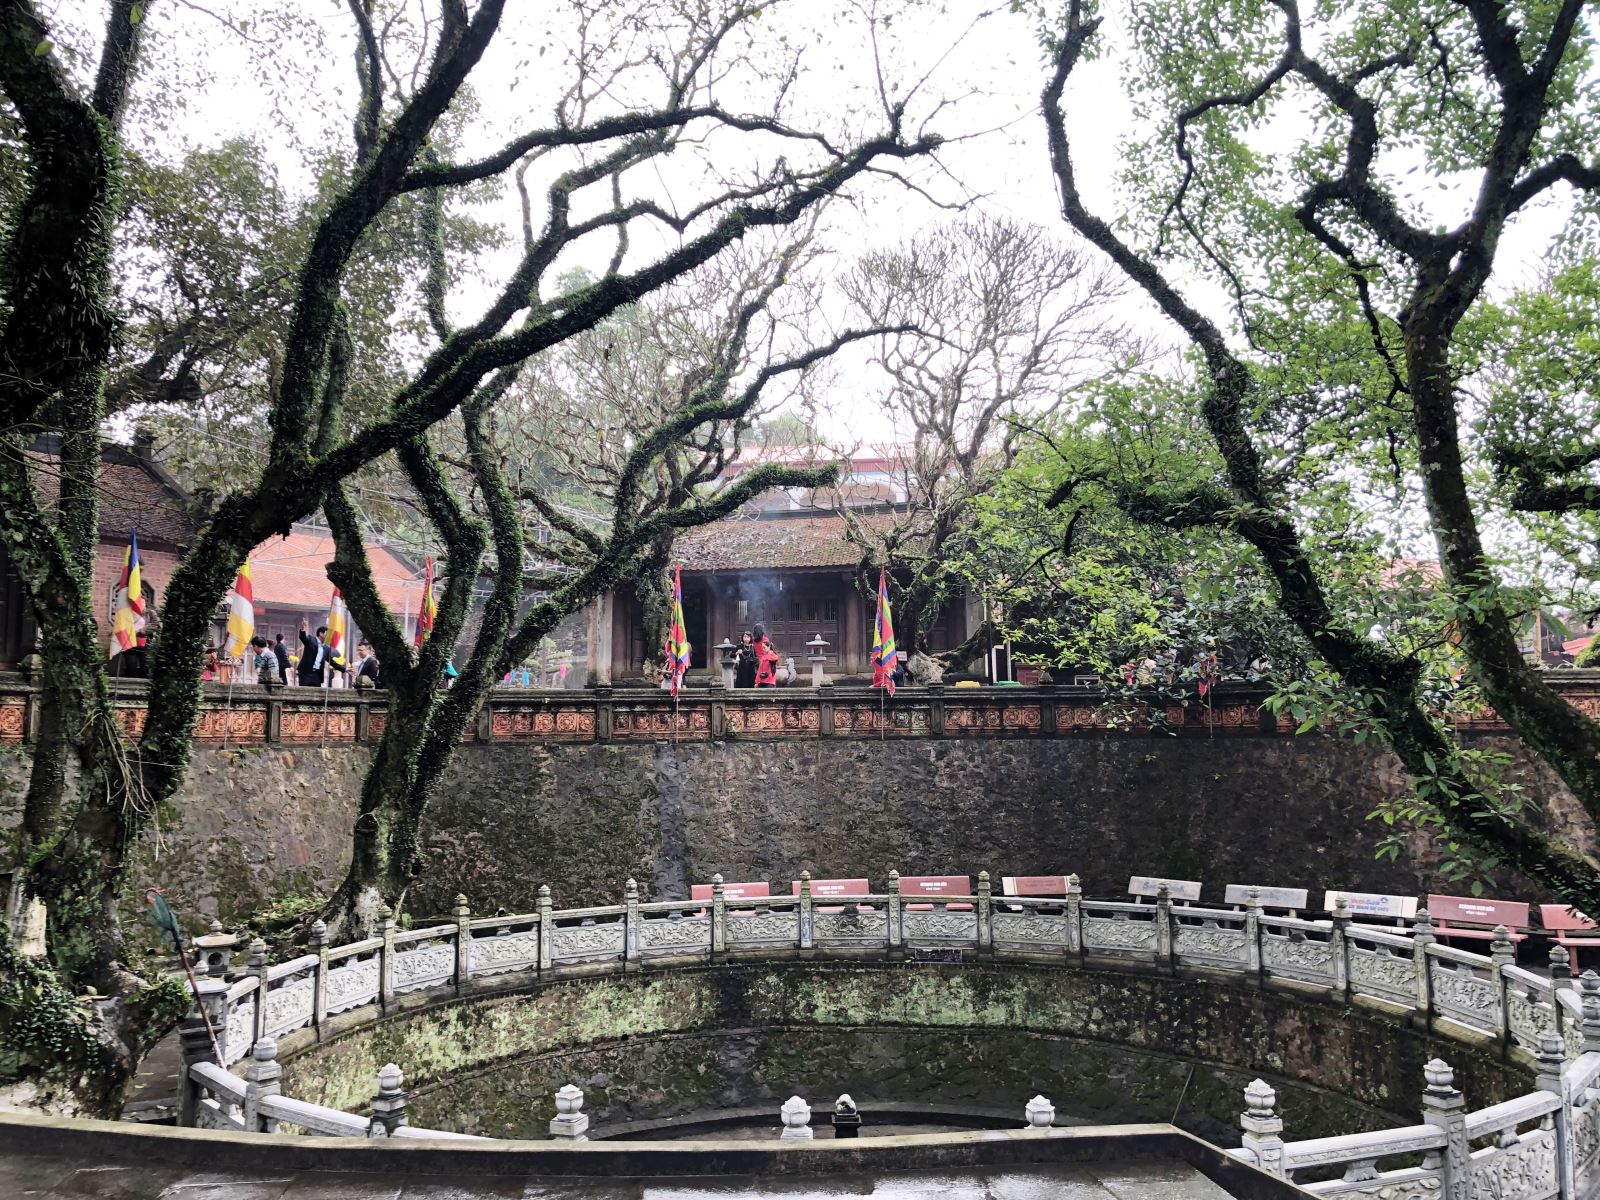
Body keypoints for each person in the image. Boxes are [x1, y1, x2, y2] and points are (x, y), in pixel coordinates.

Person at [297, 619, 330, 687]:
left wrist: (344, 669)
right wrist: (303, 628)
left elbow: (331, 660)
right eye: (327, 634)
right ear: (321, 633)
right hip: (306, 674)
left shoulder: (325, 648)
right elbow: (303, 638)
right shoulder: (311, 639)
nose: (328, 637)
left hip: (317, 676)